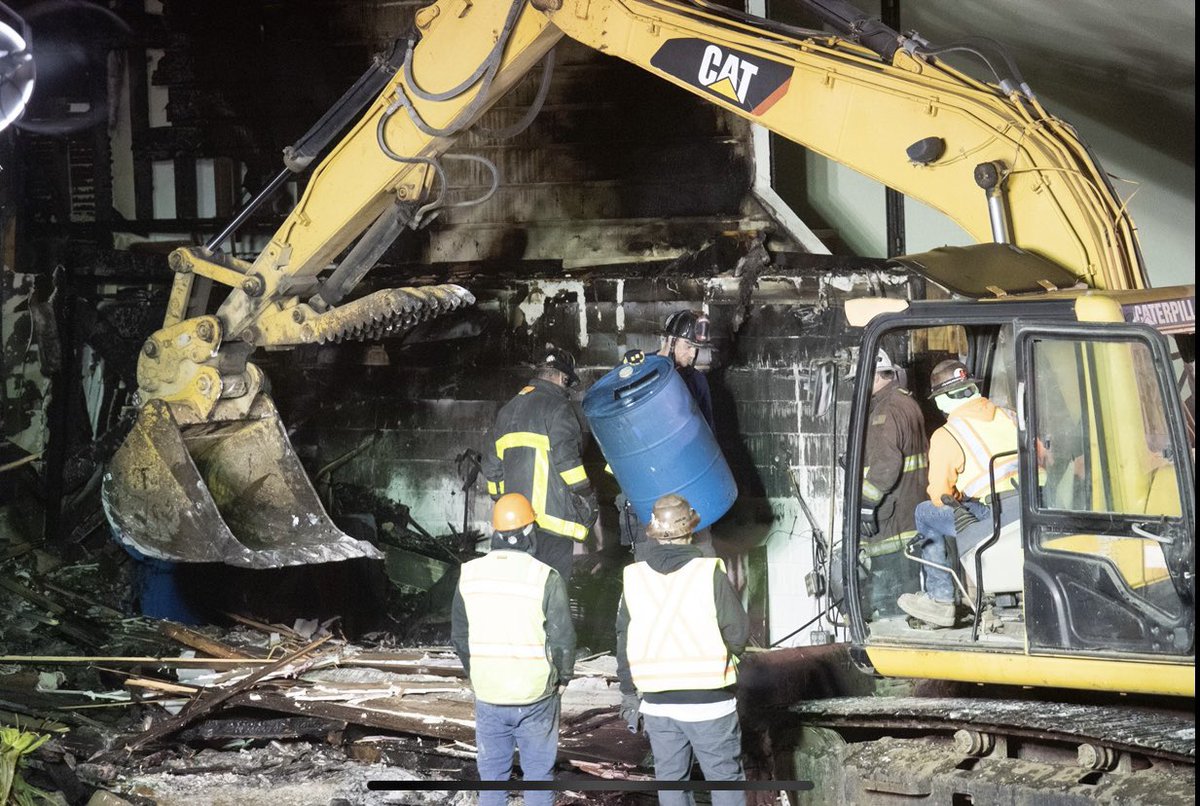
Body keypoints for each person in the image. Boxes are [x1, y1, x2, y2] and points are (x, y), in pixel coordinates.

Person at [615, 494, 749, 806]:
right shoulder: (707, 573)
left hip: (658, 706)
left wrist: (629, 692)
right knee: (725, 782)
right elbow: (738, 633)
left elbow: (623, 640)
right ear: (690, 531)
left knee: (672, 785)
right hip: (710, 703)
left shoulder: (634, 577)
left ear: (653, 532)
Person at [451, 493, 576, 806]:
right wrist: (562, 679)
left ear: (495, 533)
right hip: (536, 696)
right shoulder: (545, 577)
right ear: (529, 533)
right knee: (538, 777)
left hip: (489, 694)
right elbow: (563, 639)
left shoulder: (469, 574)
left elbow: (460, 638)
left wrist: (478, 673)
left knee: (492, 780)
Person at [897, 359, 1021, 628]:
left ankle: (940, 600)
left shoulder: (948, 434)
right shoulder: (1009, 415)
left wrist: (960, 495)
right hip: (1030, 510)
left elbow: (939, 493)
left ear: (942, 399)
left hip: (994, 515)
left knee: (926, 513)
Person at [483, 345, 597, 582]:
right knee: (550, 592)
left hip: (516, 525)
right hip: (552, 527)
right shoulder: (559, 408)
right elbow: (568, 464)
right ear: (562, 377)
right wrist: (586, 495)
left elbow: (492, 470)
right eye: (567, 383)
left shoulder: (507, 410)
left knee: (522, 589)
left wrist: (504, 503)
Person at [617, 309, 719, 556]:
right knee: (650, 566)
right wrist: (627, 376)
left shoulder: (697, 382)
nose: (692, 353)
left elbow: (708, 438)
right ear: (670, 340)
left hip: (687, 489)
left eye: (696, 348)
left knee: (701, 561)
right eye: (687, 345)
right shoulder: (640, 371)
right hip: (648, 490)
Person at [854, 350, 928, 618]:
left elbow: (886, 464)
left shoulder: (885, 410)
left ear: (874, 376)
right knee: (909, 591)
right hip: (908, 514)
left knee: (892, 603)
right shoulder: (905, 402)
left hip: (891, 519)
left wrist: (864, 504)